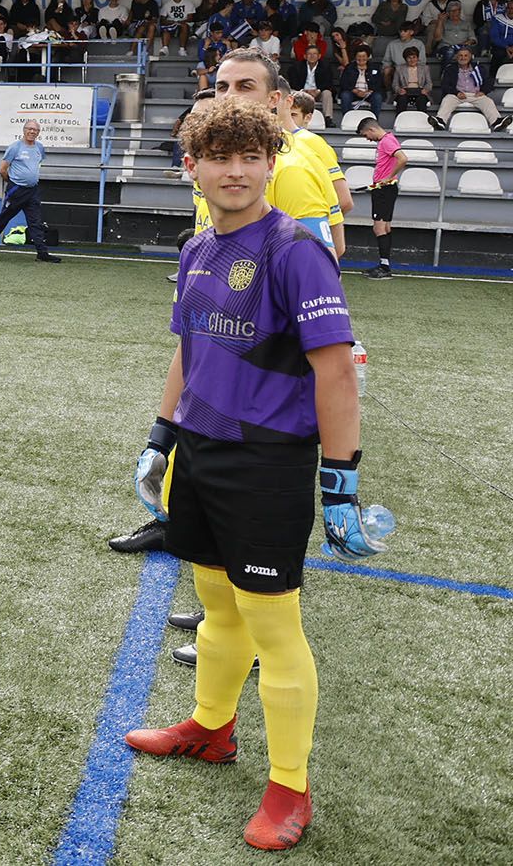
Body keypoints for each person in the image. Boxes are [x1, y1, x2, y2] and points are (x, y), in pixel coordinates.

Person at [122, 97, 369, 852]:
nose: (236, 169)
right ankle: (210, 726)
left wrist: (341, 478)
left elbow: (337, 371)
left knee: (274, 625)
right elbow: (187, 350)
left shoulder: (296, 250)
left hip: (266, 462)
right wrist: (162, 435)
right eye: (218, 156)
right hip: (198, 452)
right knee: (216, 603)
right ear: (192, 166)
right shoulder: (197, 247)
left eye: (250, 156)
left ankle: (291, 786)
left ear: (271, 162)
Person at [0, 120, 60, 262]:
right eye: (30, 129)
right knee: (4, 218)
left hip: (32, 191)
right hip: (16, 190)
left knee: (36, 222)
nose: (32, 132)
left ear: (38, 133)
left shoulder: (39, 147)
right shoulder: (15, 147)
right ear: (24, 130)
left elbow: (36, 165)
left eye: (35, 130)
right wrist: (13, 183)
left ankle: (42, 253)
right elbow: (2, 170)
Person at [356, 116, 409, 278]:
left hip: (384, 189)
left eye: (366, 135)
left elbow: (403, 158)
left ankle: (384, 267)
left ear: (371, 129)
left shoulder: (386, 141)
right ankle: (384, 264)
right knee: (385, 227)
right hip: (385, 189)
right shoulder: (387, 140)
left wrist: (388, 177)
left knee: (378, 228)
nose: (367, 139)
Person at [436, 46, 504, 129]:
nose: (463, 58)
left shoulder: (478, 68)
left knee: (488, 101)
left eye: (465, 55)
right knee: (447, 99)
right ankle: (440, 121)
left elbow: (489, 81)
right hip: (457, 95)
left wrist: (483, 91)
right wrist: (456, 93)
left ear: (470, 57)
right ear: (457, 57)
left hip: (475, 95)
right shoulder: (450, 69)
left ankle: (497, 122)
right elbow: (445, 85)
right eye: (460, 55)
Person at [283, 41, 336, 121]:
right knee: (290, 92)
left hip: (318, 93)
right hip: (301, 92)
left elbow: (328, 83)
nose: (312, 56)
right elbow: (293, 83)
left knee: (327, 93)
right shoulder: (297, 66)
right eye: (309, 54)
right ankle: (290, 118)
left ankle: (328, 118)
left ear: (319, 56)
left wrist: (318, 91)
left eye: (315, 54)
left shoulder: (325, 66)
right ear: (305, 56)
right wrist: (304, 91)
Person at [339, 47, 382, 117]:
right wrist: (356, 91)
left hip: (369, 93)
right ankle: (347, 118)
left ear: (368, 57)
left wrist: (369, 91)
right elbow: (343, 83)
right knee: (345, 95)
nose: (361, 58)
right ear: (355, 57)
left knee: (377, 97)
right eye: (359, 56)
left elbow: (379, 83)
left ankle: (374, 120)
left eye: (364, 56)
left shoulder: (374, 68)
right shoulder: (349, 67)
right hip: (353, 93)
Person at [390, 45, 433, 113]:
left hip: (420, 90)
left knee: (421, 101)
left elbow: (429, 83)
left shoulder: (424, 68)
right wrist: (399, 90)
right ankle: (400, 121)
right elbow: (395, 84)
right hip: (405, 91)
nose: (412, 60)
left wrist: (426, 90)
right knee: (402, 100)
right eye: (409, 58)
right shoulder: (399, 68)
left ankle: (422, 121)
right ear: (405, 59)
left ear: (417, 58)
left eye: (414, 57)